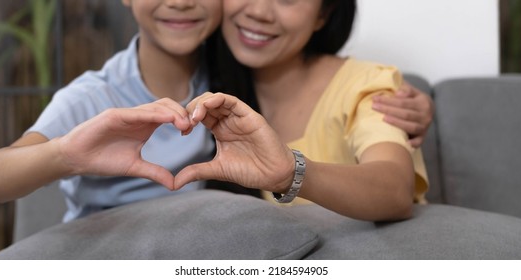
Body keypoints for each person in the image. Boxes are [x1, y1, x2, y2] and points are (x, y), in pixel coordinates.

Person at [0, 0, 431, 222]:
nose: (182, 1)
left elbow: (388, 184)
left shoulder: (226, 77)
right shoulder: (96, 95)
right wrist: (64, 154)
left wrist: (418, 103)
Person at [175, 0, 428, 221]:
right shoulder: (203, 82)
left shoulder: (364, 85)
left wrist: (292, 173)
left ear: (323, 15)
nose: (259, 11)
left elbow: (395, 190)